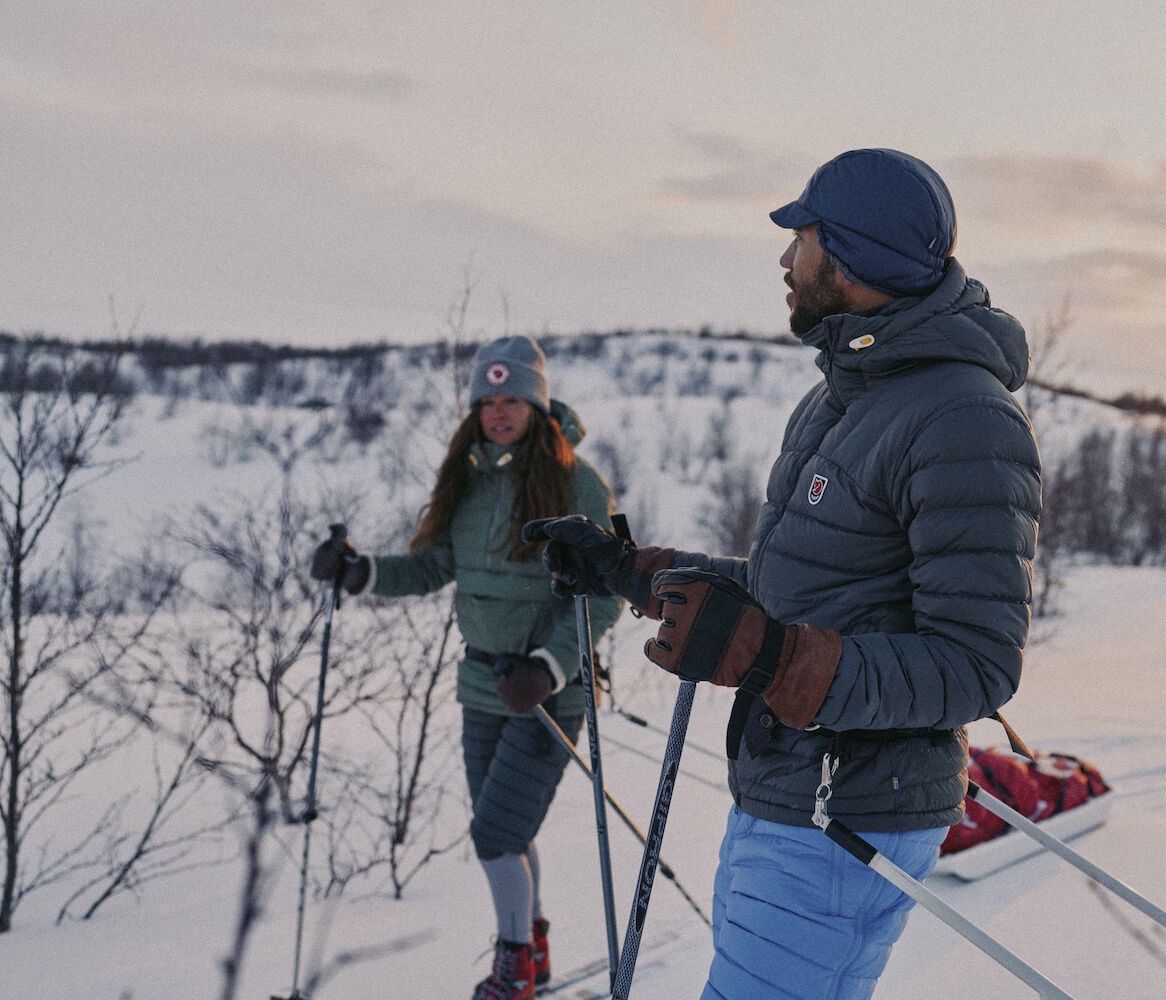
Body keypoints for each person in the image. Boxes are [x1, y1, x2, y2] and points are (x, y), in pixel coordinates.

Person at [525, 148, 1042, 1000]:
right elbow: (789, 589)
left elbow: (977, 666)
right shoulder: (846, 394)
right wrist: (631, 569)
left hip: (848, 817)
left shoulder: (964, 418)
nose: (784, 259)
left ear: (851, 256)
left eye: (800, 237)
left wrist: (772, 661)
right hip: (786, 792)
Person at [311, 336, 622, 1000]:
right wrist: (359, 571)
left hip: (547, 695)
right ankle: (533, 950)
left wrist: (548, 667)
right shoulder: (470, 478)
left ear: (536, 405)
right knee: (510, 832)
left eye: (512, 399)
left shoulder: (579, 483)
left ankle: (512, 970)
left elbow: (610, 589)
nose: (498, 411)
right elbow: (431, 566)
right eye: (487, 400)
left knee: (494, 835)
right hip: (481, 685)